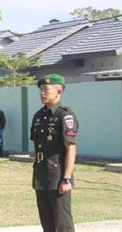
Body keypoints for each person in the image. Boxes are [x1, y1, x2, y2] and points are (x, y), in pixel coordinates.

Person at [30, 74, 78, 232]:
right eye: (40, 90)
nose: (42, 93)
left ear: (59, 91)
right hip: (41, 174)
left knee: (62, 222)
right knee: (47, 222)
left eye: (46, 89)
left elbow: (70, 148)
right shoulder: (38, 116)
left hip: (58, 176)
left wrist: (66, 179)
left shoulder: (65, 115)